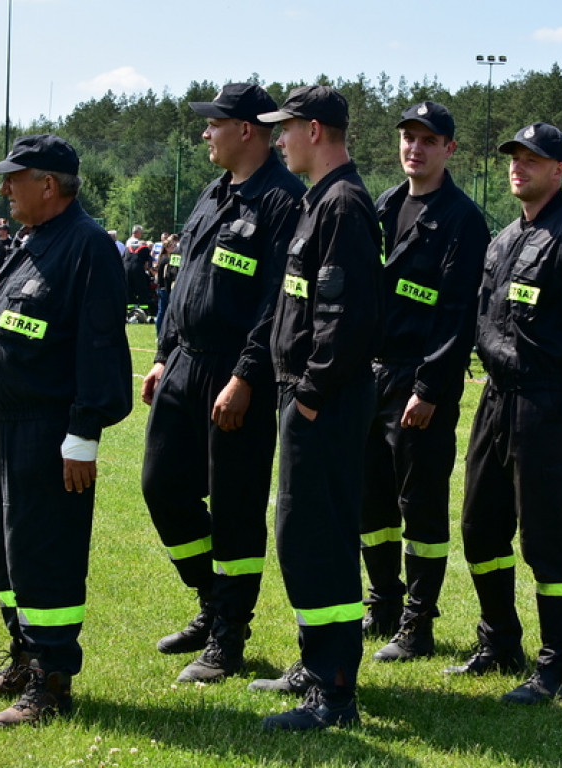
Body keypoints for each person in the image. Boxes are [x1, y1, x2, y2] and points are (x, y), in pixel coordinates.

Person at [446, 123, 562, 704]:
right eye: (515, 157)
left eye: (534, 159)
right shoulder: (503, 239)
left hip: (548, 402)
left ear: (558, 170)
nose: (519, 166)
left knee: (548, 537)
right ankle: (500, 640)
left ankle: (556, 665)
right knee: (480, 527)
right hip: (497, 398)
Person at [0, 134, 132, 728]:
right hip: (4, 426)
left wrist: (83, 435)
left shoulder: (86, 246)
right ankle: (24, 655)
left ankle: (52, 680)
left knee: (44, 555)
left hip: (47, 429)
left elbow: (101, 346)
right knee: (7, 556)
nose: (4, 188)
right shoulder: (35, 240)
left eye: (14, 177)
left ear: (49, 184)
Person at [139, 83, 305, 685]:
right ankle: (211, 601)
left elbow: (276, 304)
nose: (205, 133)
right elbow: (184, 282)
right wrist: (162, 355)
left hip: (238, 373)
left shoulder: (285, 202)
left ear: (248, 129)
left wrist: (246, 375)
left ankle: (230, 635)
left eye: (215, 123)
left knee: (235, 506)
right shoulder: (212, 194)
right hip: (184, 362)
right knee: (162, 489)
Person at [248, 85, 382, 732]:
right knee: (301, 537)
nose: (279, 139)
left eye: (288, 128)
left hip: (322, 403)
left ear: (318, 130)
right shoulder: (317, 202)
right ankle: (315, 664)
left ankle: (334, 694)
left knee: (321, 541)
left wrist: (308, 396)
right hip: (304, 398)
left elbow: (346, 320)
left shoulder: (346, 205)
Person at [359, 102, 489, 661]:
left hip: (420, 377)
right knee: (372, 503)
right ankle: (382, 601)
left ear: (449, 149)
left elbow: (459, 316)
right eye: (408, 138)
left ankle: (419, 623)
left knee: (421, 505)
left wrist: (431, 389)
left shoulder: (463, 219)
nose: (415, 148)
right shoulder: (385, 206)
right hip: (372, 374)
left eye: (428, 140)